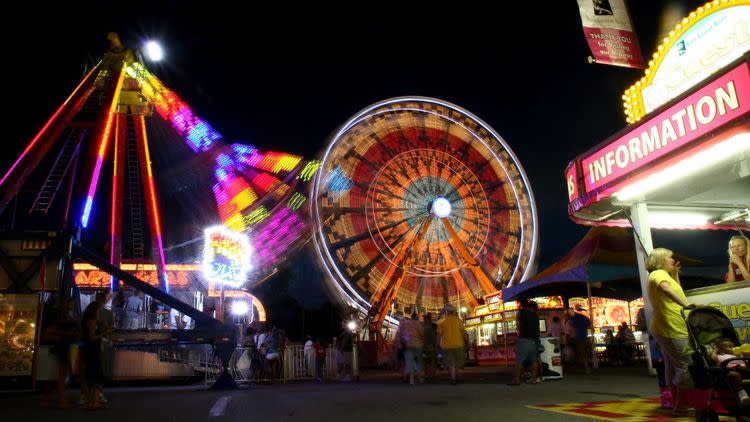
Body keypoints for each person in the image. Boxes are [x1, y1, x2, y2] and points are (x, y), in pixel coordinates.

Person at [646, 247, 697, 416]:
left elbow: (675, 289)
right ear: (660, 261)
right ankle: (681, 404)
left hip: (665, 326)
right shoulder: (658, 274)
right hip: (671, 326)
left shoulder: (662, 275)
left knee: (672, 366)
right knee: (685, 365)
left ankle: (675, 401)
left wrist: (675, 274)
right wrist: (686, 306)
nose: (673, 261)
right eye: (670, 258)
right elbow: (667, 290)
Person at [80, 299, 105, 409]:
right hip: (92, 350)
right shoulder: (92, 320)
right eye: (99, 310)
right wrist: (104, 333)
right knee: (96, 376)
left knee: (88, 376)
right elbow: (92, 337)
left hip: (87, 349)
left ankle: (88, 401)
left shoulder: (86, 319)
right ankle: (94, 402)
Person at [710, 339, 750, 407]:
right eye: (729, 347)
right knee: (733, 375)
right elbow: (714, 359)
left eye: (733, 346)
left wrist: (747, 354)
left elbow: (747, 364)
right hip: (732, 371)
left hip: (744, 370)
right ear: (721, 350)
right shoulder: (721, 356)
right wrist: (715, 351)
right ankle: (743, 395)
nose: (733, 348)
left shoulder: (738, 355)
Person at [510, 299, 540, 385]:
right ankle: (533, 379)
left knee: (519, 360)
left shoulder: (522, 312)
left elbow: (518, 324)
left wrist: (518, 329)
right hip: (534, 340)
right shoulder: (535, 315)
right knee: (534, 360)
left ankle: (517, 379)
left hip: (524, 339)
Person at [437, 304, 466, 385]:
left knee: (451, 363)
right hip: (459, 344)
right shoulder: (459, 321)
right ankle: (458, 377)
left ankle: (453, 379)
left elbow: (439, 335)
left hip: (446, 346)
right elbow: (463, 333)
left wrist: (438, 345)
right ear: (453, 312)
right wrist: (466, 342)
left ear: (446, 312)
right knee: (457, 362)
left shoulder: (442, 322)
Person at [396, 311, 424, 385]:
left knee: (409, 363)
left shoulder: (405, 323)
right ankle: (419, 378)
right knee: (418, 362)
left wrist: (400, 343)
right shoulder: (418, 324)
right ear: (417, 318)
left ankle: (411, 380)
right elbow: (421, 334)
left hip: (408, 345)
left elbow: (400, 334)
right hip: (418, 345)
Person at [566, 305, 592, 373]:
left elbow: (570, 330)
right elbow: (589, 326)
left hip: (577, 338)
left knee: (578, 353)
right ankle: (584, 368)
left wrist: (568, 339)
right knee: (583, 354)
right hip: (584, 337)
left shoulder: (572, 319)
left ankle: (584, 368)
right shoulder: (583, 317)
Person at [422, 313, 438, 381]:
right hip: (432, 346)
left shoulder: (422, 326)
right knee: (432, 361)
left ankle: (427, 375)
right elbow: (438, 336)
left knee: (426, 361)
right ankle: (431, 375)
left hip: (425, 347)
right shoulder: (435, 326)